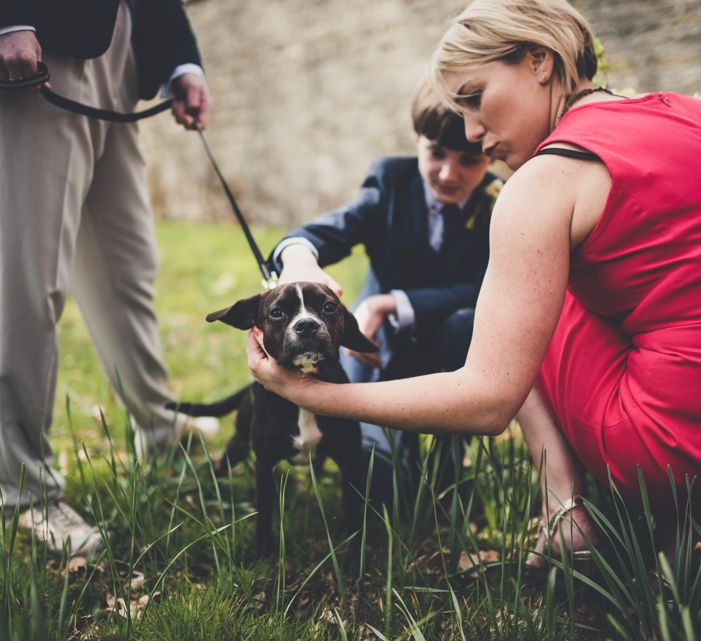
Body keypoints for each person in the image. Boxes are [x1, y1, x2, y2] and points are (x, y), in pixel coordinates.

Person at [248, 0, 701, 568]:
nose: (472, 132)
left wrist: (318, 396)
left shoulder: (539, 185)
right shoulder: (686, 109)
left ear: (539, 61)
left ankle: (563, 506)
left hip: (663, 450)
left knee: (535, 297)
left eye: (475, 97)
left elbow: (490, 400)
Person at [0, 0, 218, 556]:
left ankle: (158, 423)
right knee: (30, 279)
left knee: (126, 264)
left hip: (118, 46)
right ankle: (22, 488)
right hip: (42, 36)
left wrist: (180, 62)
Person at [271, 80, 500, 507]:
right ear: (418, 142)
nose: (449, 174)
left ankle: (450, 465)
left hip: (451, 357)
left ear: (490, 152)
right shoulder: (391, 181)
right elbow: (336, 227)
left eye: (469, 160)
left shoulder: (497, 202)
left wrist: (388, 302)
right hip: (377, 353)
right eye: (435, 154)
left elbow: (486, 284)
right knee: (381, 487)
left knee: (465, 321)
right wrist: (300, 256)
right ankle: (397, 463)